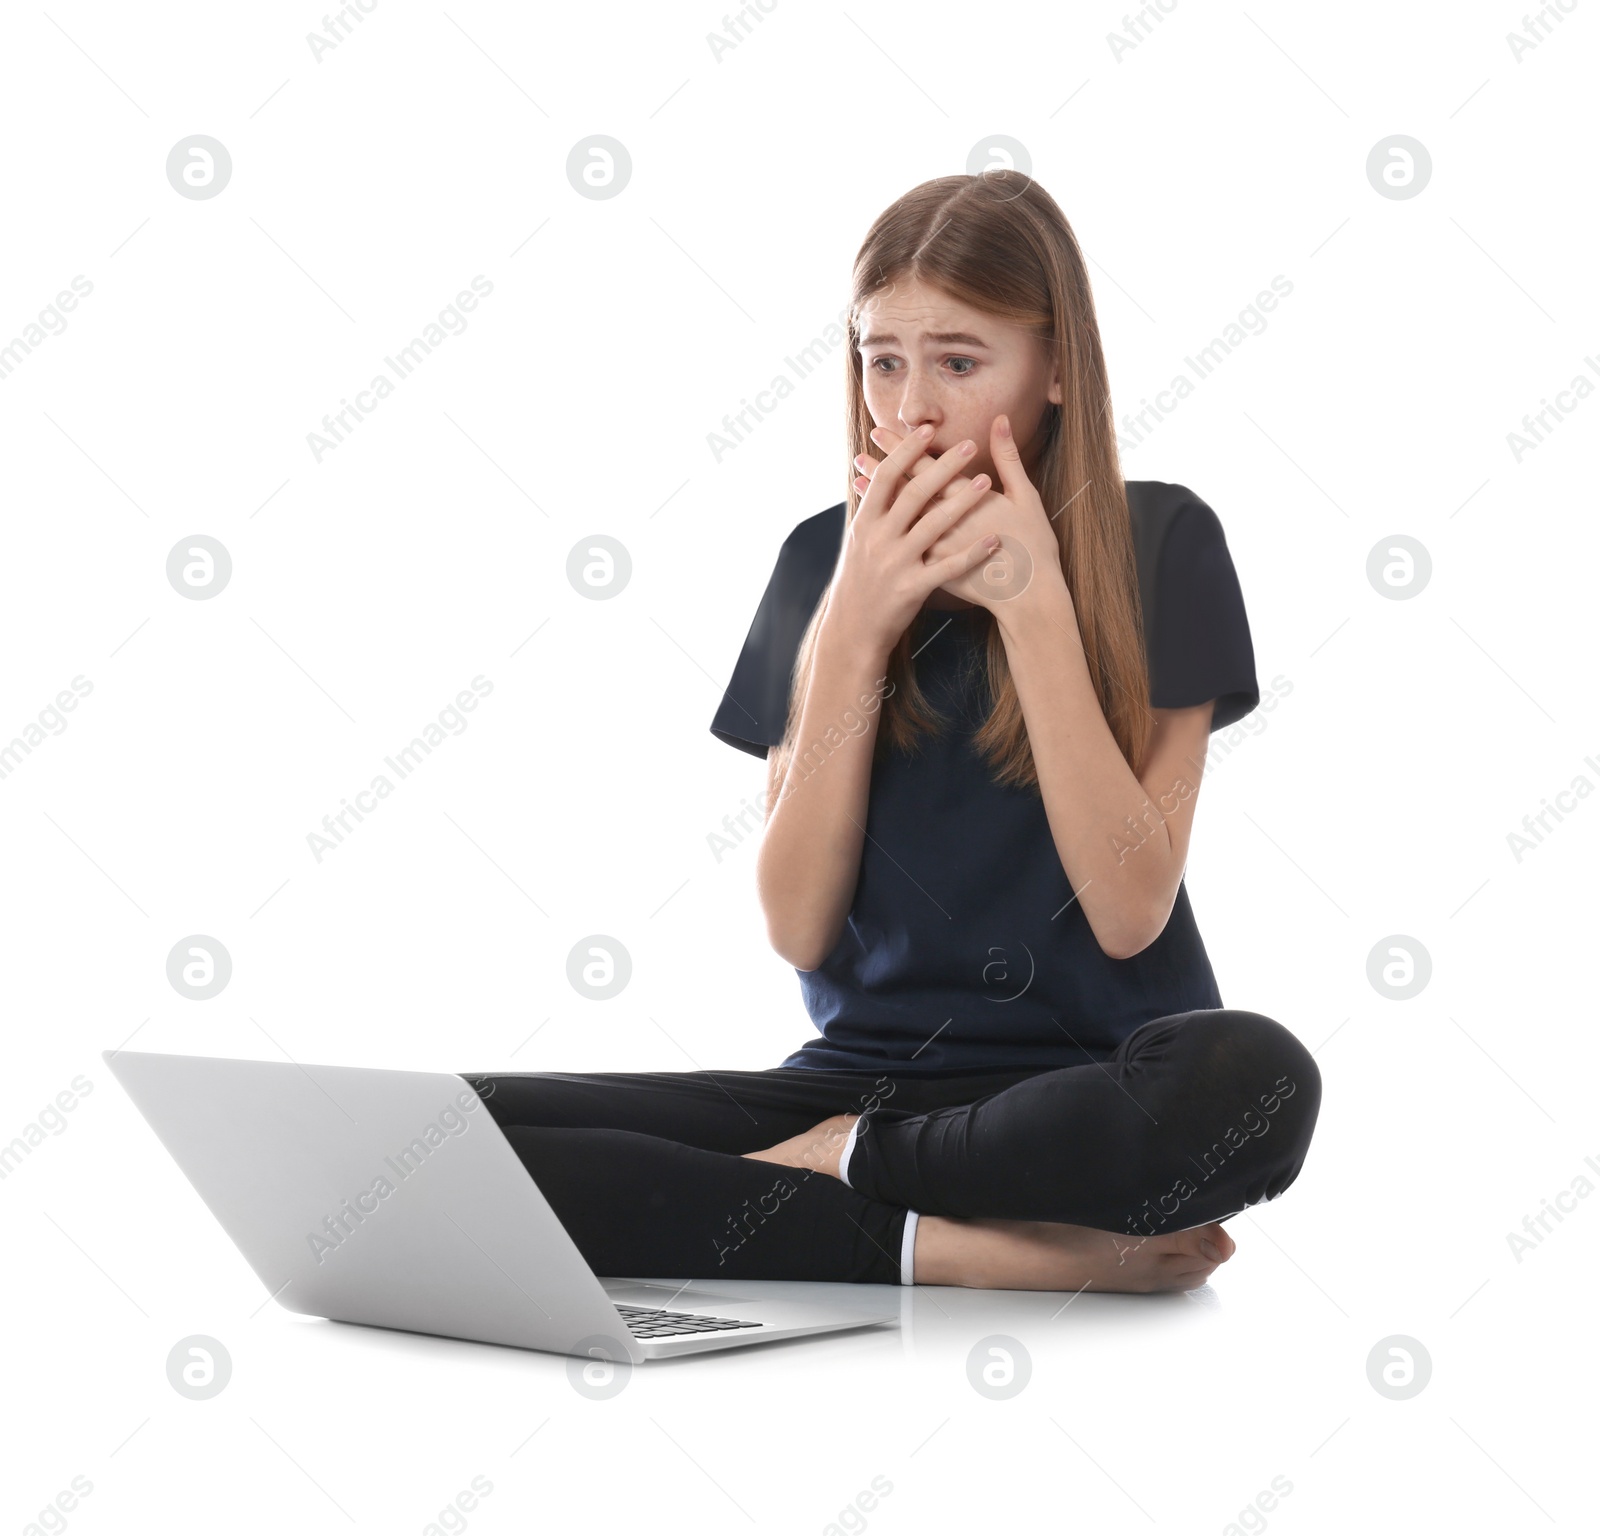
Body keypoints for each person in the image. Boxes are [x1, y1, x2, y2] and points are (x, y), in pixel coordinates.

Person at [461, 171, 1320, 1294]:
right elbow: (799, 925)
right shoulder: (820, 561)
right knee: (452, 1137)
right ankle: (962, 1245)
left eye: (959, 362)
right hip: (860, 1082)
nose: (907, 408)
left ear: (1057, 368)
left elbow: (1127, 911)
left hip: (1104, 1093)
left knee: (1257, 1078)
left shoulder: (1162, 540)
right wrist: (855, 628)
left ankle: (845, 1178)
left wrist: (1034, 607)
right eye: (881, 360)